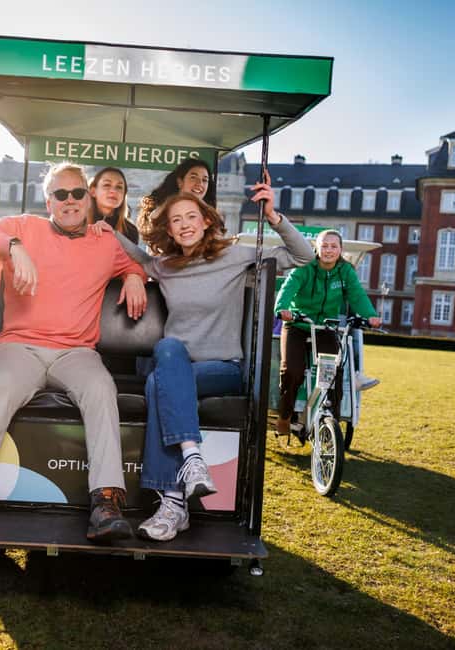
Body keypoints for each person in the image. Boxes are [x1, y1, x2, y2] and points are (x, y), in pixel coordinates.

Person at [0, 162, 148, 554]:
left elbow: (139, 263)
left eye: (77, 193)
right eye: (60, 195)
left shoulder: (106, 240)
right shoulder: (26, 228)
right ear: (48, 200)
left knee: (102, 388)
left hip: (76, 352)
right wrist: (14, 247)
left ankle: (106, 503)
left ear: (88, 197)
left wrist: (134, 274)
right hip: (22, 347)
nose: (69, 201)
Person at [92, 173, 314, 541]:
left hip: (221, 368)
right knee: (166, 357)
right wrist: (105, 228)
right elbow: (136, 257)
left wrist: (274, 216)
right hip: (175, 369)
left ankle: (173, 501)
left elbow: (303, 257)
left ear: (206, 220)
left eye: (190, 217)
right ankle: (188, 471)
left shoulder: (235, 255)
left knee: (161, 370)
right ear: (170, 230)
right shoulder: (165, 267)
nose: (184, 225)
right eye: (176, 220)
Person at [274, 229, 382, 441]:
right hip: (298, 324)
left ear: (341, 250)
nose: (329, 250)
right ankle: (285, 416)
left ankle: (332, 418)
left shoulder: (345, 272)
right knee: (292, 371)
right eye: (324, 245)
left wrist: (370, 316)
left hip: (326, 327)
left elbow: (357, 294)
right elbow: (288, 288)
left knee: (333, 372)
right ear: (317, 248)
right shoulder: (304, 267)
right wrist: (282, 308)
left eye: (334, 246)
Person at [136, 158, 215, 231]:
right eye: (193, 177)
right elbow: (153, 220)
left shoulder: (210, 215)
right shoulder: (163, 209)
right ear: (180, 182)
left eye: (204, 180)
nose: (200, 183)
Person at [88, 166, 140, 244]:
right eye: (107, 185)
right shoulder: (78, 222)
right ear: (93, 191)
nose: (113, 191)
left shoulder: (130, 230)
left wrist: (114, 235)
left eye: (119, 187)